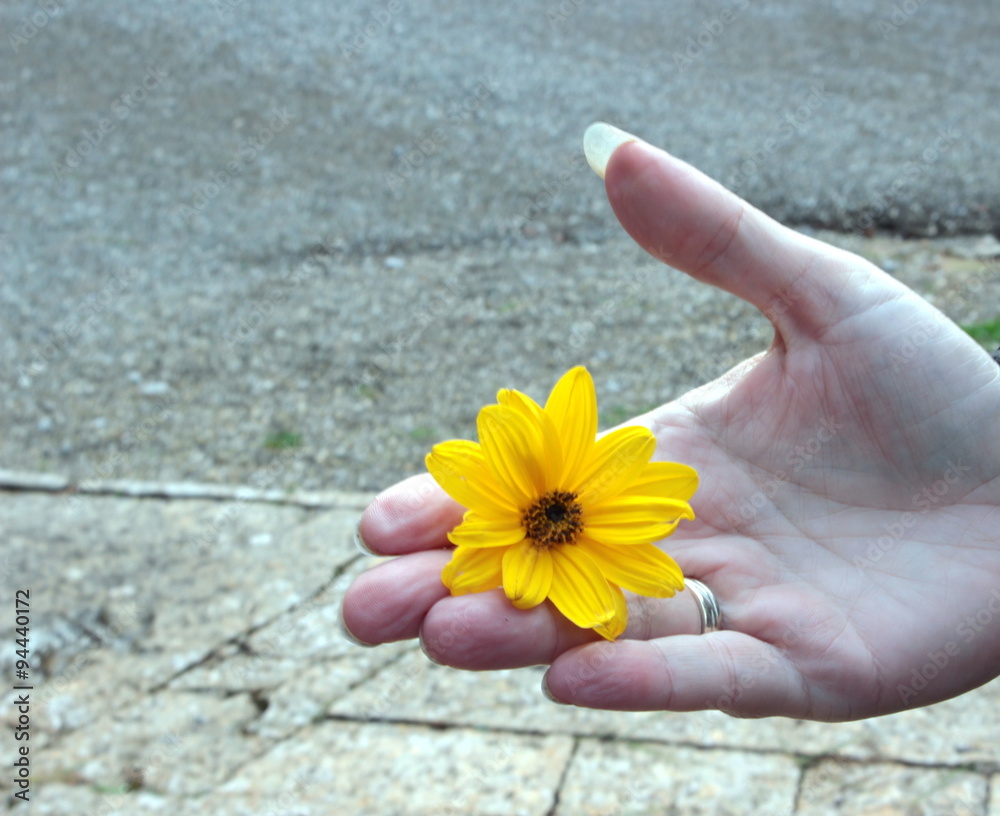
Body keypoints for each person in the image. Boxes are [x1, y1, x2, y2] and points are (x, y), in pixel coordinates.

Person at [339, 123, 1000, 721]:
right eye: (555, 518)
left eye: (558, 515)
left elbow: (629, 549)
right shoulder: (524, 530)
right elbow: (527, 559)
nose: (558, 520)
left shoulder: (561, 528)